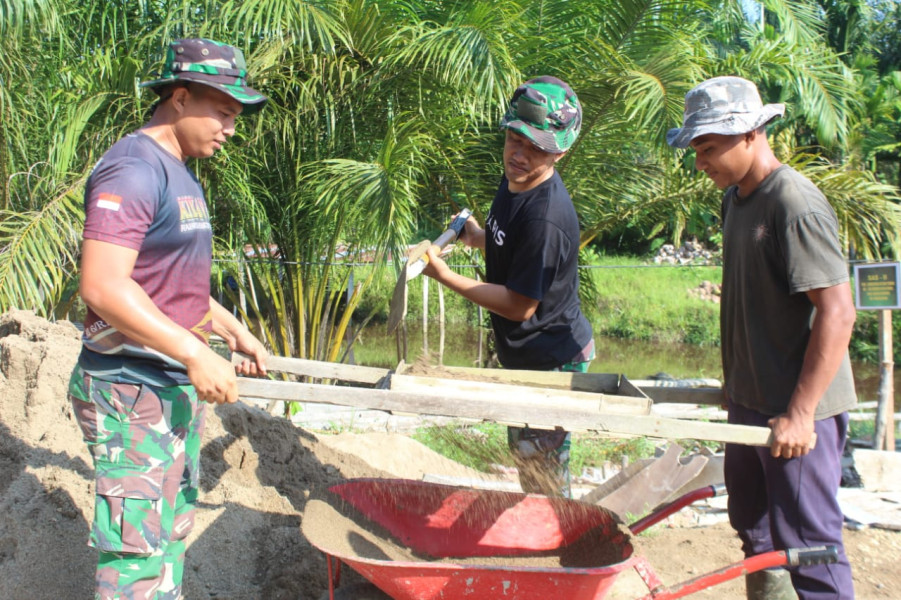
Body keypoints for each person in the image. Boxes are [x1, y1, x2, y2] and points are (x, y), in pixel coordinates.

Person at [67, 38, 270, 600]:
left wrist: (231, 330)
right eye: (223, 111)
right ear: (179, 98)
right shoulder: (133, 170)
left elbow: (169, 282)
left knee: (172, 526)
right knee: (135, 549)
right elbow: (104, 285)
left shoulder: (181, 170)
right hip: (130, 389)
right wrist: (194, 351)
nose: (231, 127)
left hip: (170, 386)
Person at [667, 76, 857, 599]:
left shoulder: (793, 203)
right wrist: (737, 383)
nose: (699, 160)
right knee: (754, 526)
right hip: (751, 401)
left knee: (810, 545)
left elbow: (838, 313)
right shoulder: (736, 200)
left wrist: (799, 412)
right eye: (695, 149)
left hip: (798, 411)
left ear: (751, 133)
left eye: (707, 147)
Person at [422, 76, 595, 498]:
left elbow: (520, 306)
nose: (520, 153)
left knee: (543, 469)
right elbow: (506, 239)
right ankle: (541, 537)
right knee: (526, 455)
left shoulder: (546, 218)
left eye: (536, 146)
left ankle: (556, 548)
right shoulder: (516, 180)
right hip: (527, 353)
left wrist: (446, 277)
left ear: (561, 152)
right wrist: (477, 236)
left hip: (552, 358)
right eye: (515, 138)